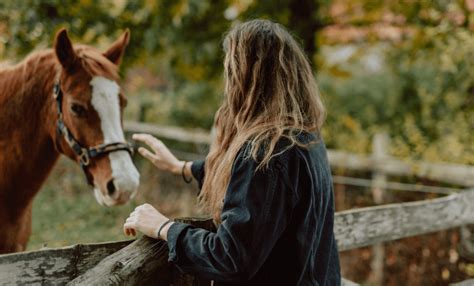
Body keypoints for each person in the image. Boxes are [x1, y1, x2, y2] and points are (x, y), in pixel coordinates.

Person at [124, 19, 341, 285]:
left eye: (230, 71)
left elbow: (230, 258)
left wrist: (164, 228)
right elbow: (260, 195)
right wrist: (181, 167)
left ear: (247, 78)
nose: (228, 84)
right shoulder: (306, 140)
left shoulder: (265, 152)